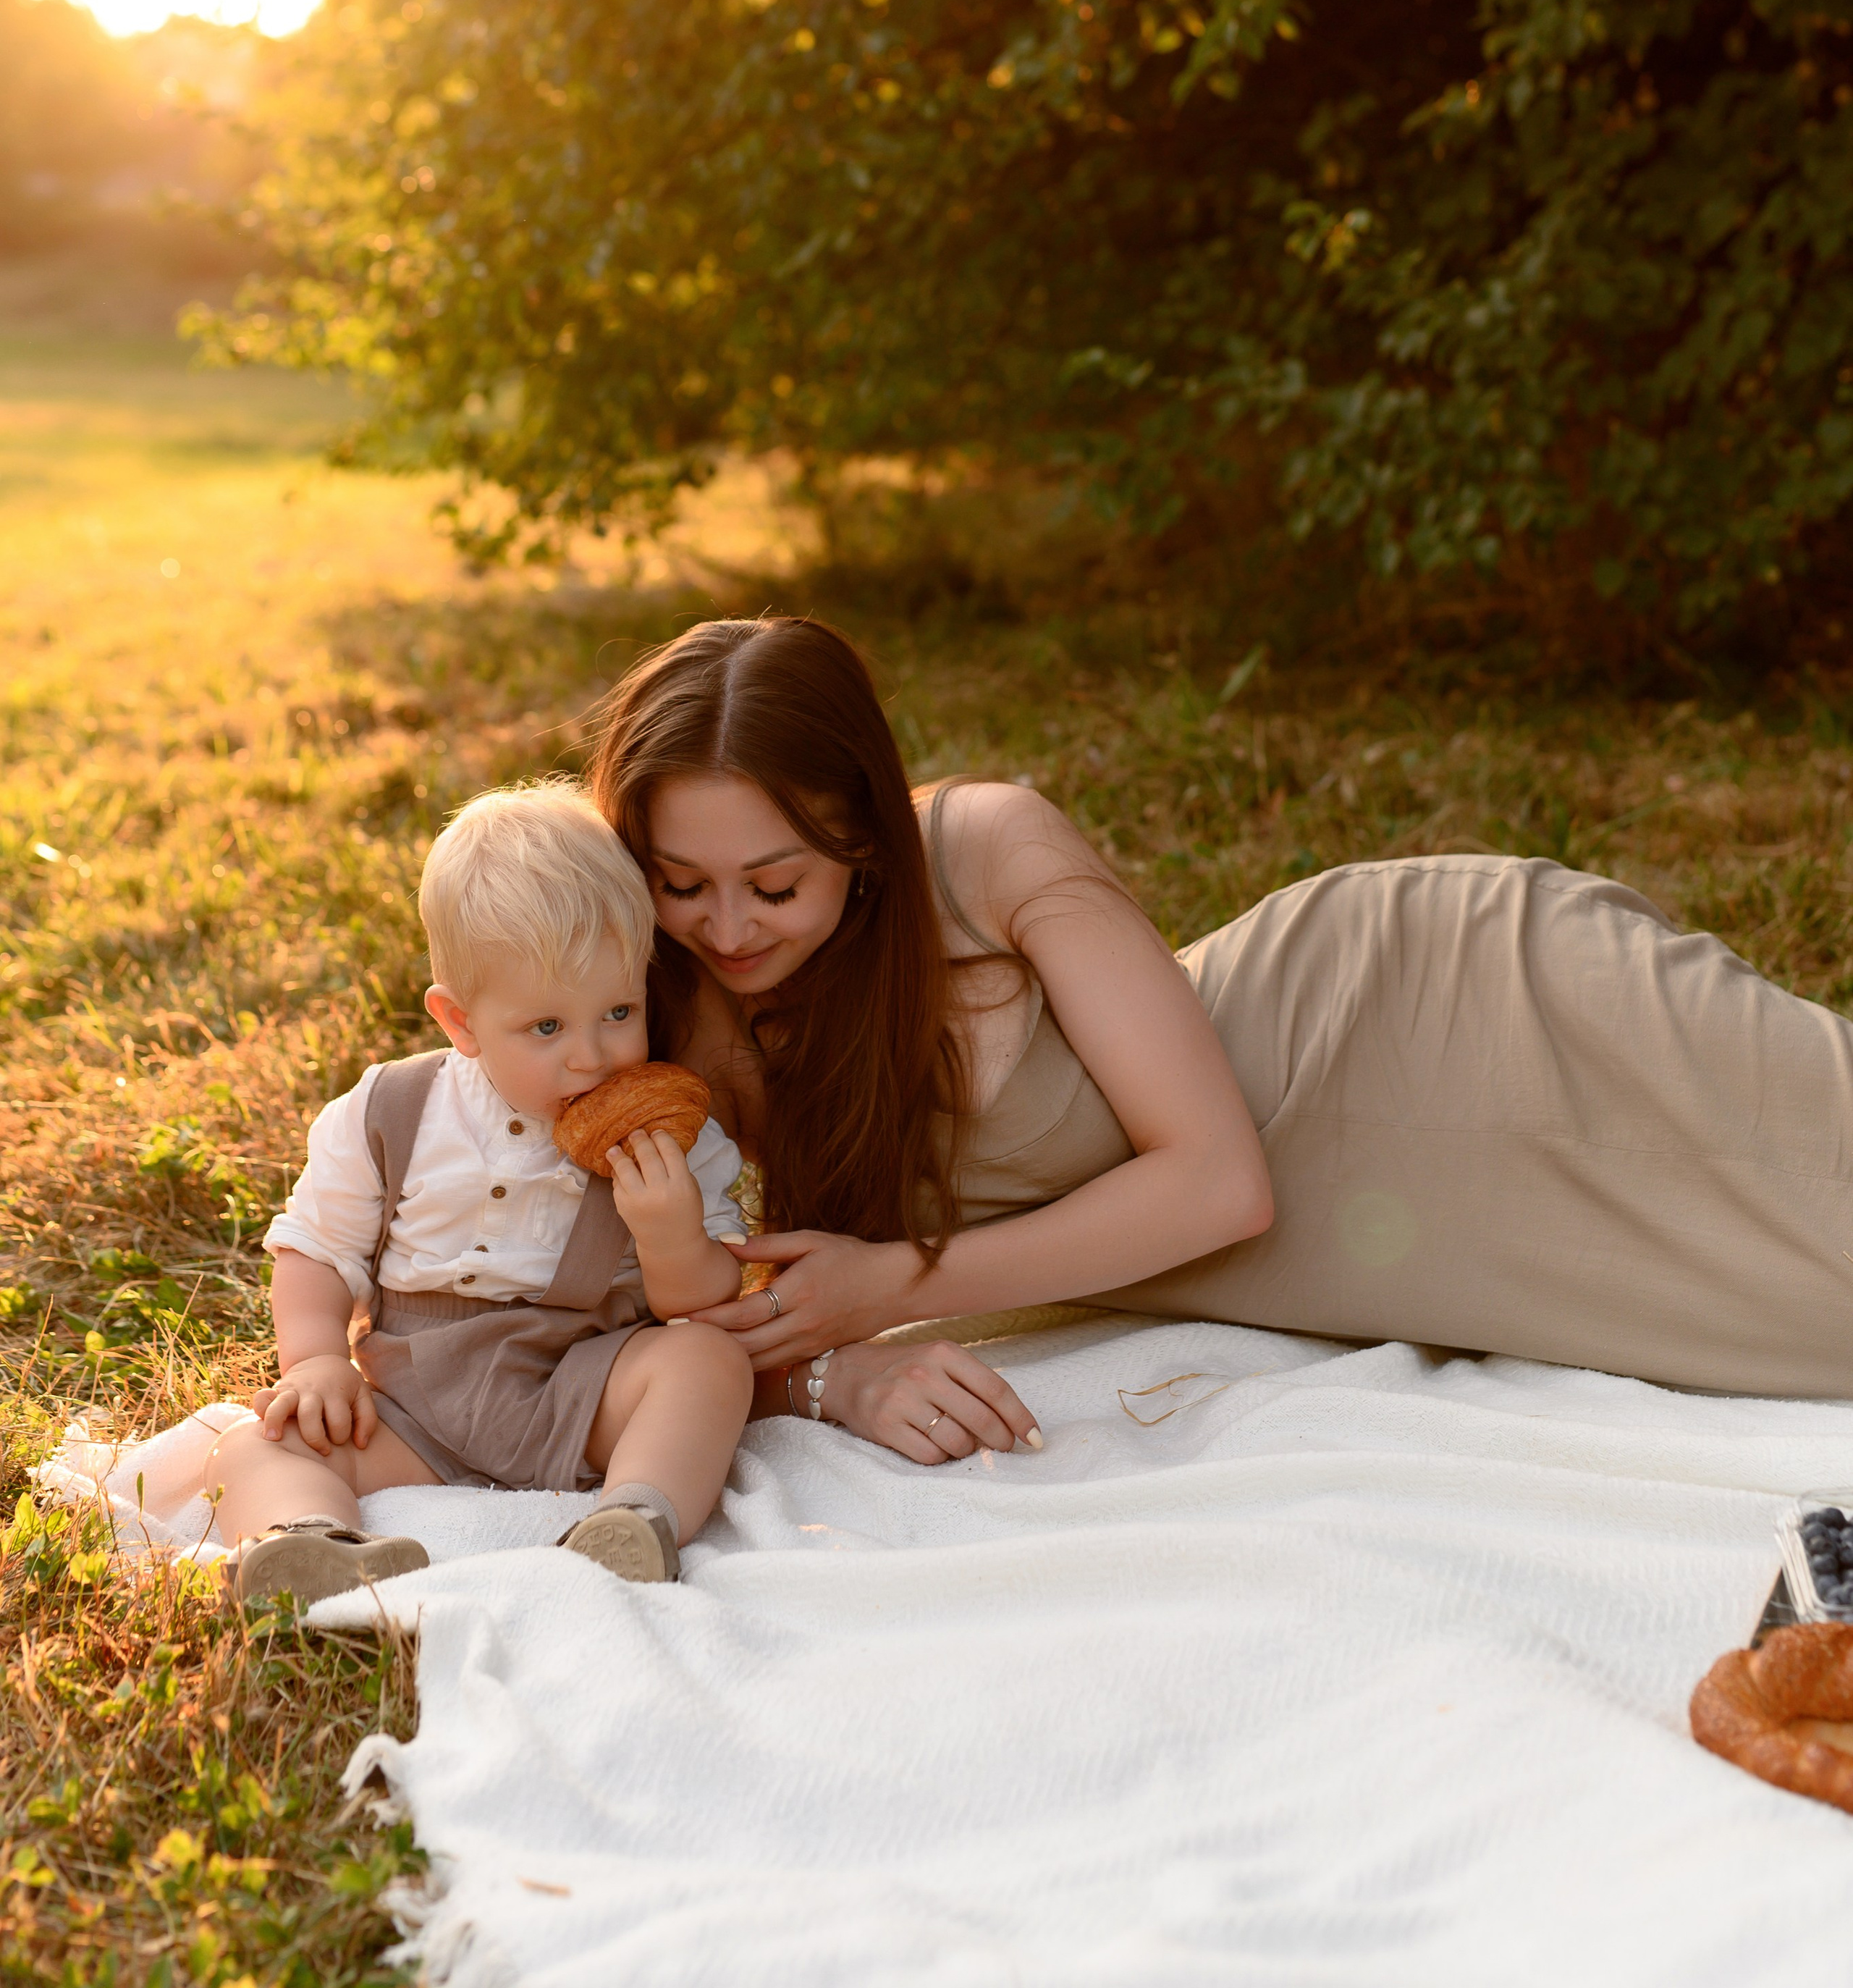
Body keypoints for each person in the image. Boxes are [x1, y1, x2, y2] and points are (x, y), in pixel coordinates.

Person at [586, 616, 1853, 1457]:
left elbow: (1217, 1179)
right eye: (682, 880)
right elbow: (574, 1281)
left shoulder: (980, 848)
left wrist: (893, 1289)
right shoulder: (665, 993)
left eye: (775, 879)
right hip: (1402, 1236)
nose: (729, 924)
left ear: (859, 838)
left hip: (1454, 1011)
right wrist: (834, 1377)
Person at [208, 783, 756, 1600]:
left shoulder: (668, 1133)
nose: (592, 1056)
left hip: (580, 1386)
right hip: (414, 1402)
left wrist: (673, 1236)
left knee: (707, 1363)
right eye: (546, 1026)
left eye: (617, 1009)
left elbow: (703, 1302)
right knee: (254, 1444)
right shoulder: (393, 1109)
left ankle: (636, 1519)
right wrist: (318, 1358)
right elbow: (317, 1248)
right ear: (459, 1021)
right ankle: (312, 1543)